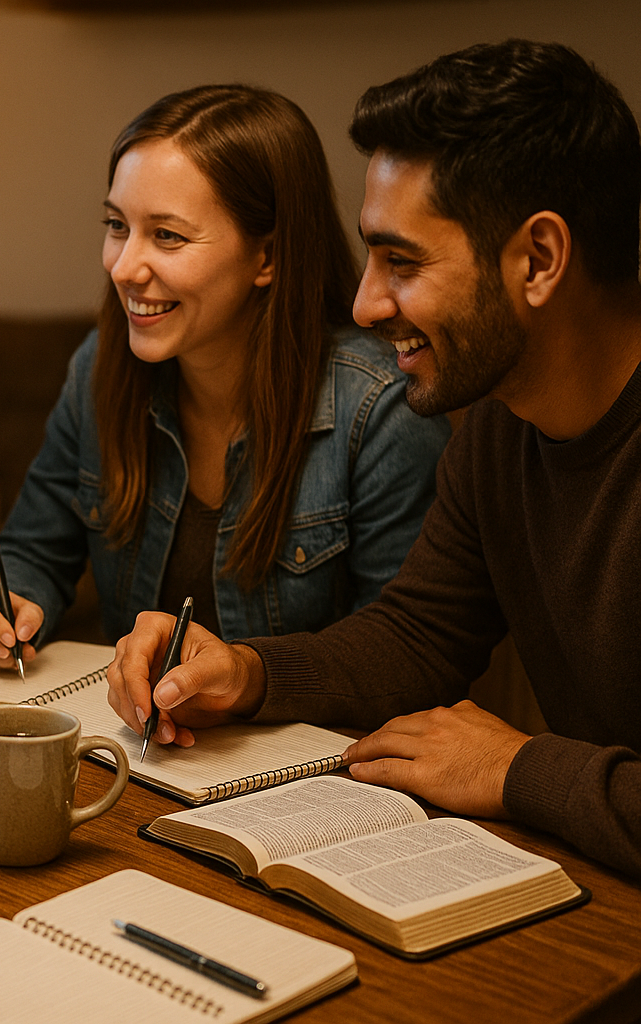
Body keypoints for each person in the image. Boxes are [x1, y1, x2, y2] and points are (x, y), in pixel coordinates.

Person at [110, 40, 641, 879]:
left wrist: (519, 767)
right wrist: (246, 672)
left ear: (538, 260)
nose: (363, 300)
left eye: (403, 260)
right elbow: (420, 636)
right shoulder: (503, 427)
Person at [0, 86, 449, 671]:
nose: (124, 267)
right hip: (134, 742)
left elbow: (403, 655)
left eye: (167, 235)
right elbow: (32, 549)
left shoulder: (380, 410)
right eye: (117, 225)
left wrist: (249, 682)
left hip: (305, 756)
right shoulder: (101, 366)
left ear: (267, 258)